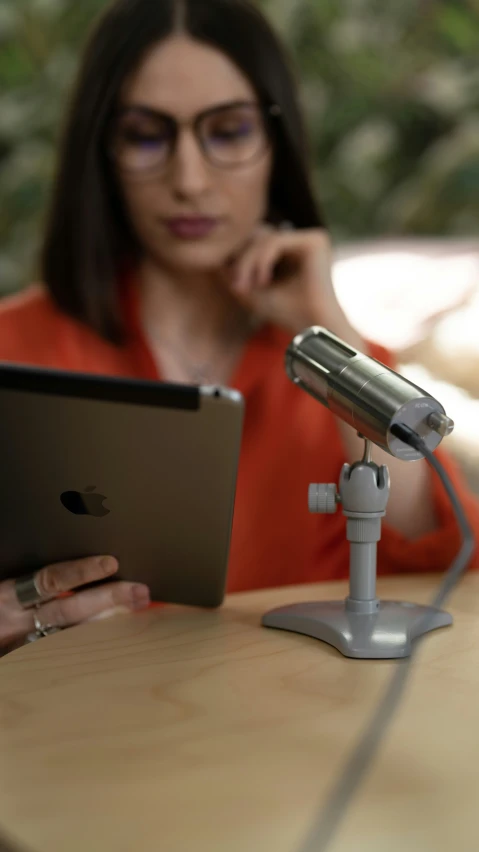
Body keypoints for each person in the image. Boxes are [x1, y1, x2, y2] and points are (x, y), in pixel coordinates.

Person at [1, 0, 478, 653]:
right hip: (77, 738)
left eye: (226, 132)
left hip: (299, 737)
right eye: (145, 135)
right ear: (100, 151)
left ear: (276, 146)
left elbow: (439, 557)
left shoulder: (326, 359)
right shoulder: (16, 348)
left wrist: (325, 323)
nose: (189, 181)